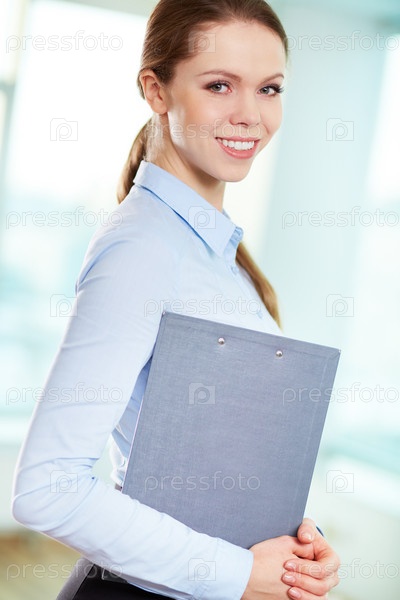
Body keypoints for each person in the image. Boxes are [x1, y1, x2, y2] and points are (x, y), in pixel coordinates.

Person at [12, 0, 340, 598]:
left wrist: (295, 544)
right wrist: (241, 573)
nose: (250, 115)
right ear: (156, 90)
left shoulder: (219, 256)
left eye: (269, 89)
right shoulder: (142, 248)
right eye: (220, 85)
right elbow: (46, 488)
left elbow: (213, 461)